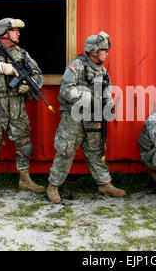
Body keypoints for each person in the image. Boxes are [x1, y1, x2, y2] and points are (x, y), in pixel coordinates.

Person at [46, 31, 126, 203]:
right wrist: (89, 97)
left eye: (106, 50)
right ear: (93, 51)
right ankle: (53, 186)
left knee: (97, 151)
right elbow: (66, 90)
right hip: (73, 118)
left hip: (94, 117)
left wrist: (108, 105)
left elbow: (106, 92)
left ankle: (104, 183)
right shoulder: (77, 66)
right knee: (65, 151)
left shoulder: (103, 71)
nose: (107, 53)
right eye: (104, 49)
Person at [0, 18, 45, 197]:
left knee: (24, 143)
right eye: (14, 30)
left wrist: (28, 85)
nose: (18, 33)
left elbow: (38, 76)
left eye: (18, 30)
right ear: (4, 33)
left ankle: (25, 179)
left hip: (16, 103)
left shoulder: (22, 54)